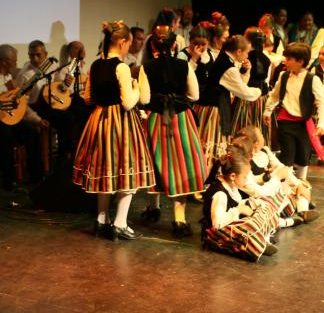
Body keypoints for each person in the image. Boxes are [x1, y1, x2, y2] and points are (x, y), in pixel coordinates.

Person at [73, 21, 154, 241]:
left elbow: (88, 97)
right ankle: (119, 222)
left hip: (99, 120)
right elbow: (128, 103)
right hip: (120, 123)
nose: (129, 47)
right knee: (127, 171)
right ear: (122, 42)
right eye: (128, 42)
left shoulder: (96, 65)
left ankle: (101, 221)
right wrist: (136, 88)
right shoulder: (121, 67)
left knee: (104, 173)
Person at [141, 26, 206, 238]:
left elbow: (143, 99)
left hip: (156, 118)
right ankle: (179, 218)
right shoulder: (184, 65)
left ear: (152, 45)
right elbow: (194, 95)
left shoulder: (146, 67)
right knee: (182, 165)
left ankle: (154, 207)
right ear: (175, 45)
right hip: (181, 119)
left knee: (157, 161)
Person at [0, 44, 43, 191]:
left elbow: (17, 104)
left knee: (32, 132)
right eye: (14, 60)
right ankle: (9, 180)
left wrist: (36, 118)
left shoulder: (9, 76)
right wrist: (5, 87)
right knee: (6, 135)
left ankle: (36, 177)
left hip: (8, 117)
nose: (16, 63)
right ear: (4, 61)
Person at [263, 43, 324, 182]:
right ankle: (285, 189)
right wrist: (267, 111)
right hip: (285, 121)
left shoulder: (312, 79)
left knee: (303, 156)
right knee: (287, 156)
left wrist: (322, 123)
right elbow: (275, 95)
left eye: (289, 59)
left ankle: (301, 188)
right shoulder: (284, 76)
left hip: (303, 124)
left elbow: (321, 102)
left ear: (300, 61)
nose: (285, 61)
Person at [201, 147, 279, 261]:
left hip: (230, 221)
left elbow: (236, 202)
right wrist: (239, 210)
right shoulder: (220, 193)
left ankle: (263, 239)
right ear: (233, 176)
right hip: (219, 232)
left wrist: (251, 203)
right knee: (249, 226)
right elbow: (217, 224)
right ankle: (259, 243)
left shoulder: (231, 185)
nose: (247, 180)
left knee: (264, 204)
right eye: (245, 176)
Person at [194, 35, 261, 169]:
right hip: (213, 108)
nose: (248, 55)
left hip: (210, 105)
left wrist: (245, 71)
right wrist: (258, 91)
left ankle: (206, 171)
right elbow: (243, 92)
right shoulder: (228, 67)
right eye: (247, 52)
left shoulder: (225, 59)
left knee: (208, 141)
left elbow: (237, 84)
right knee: (211, 141)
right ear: (238, 52)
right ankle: (207, 172)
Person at [16, 39, 75, 161]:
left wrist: (65, 84)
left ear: (46, 54)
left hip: (52, 103)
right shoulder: (24, 74)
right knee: (66, 118)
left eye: (38, 55)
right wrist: (37, 119)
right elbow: (21, 103)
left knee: (75, 110)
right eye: (32, 55)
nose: (35, 59)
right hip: (37, 108)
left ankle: (72, 155)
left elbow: (58, 86)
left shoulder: (52, 66)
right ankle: (64, 158)